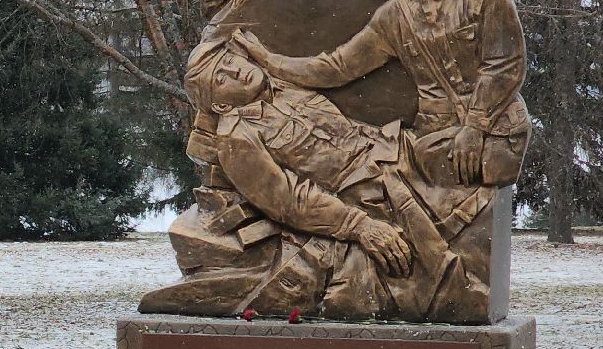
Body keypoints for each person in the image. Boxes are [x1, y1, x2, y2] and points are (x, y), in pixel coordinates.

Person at [140, 35, 490, 321]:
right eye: (221, 78)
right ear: (218, 106)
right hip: (374, 192)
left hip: (399, 151)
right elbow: (289, 199)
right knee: (450, 278)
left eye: (231, 61)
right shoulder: (237, 137)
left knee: (487, 163)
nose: (236, 71)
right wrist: (360, 226)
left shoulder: (282, 83)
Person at [232, 0, 531, 189]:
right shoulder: (393, 15)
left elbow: (504, 65)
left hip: (494, 138)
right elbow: (336, 68)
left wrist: (474, 127)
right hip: (429, 145)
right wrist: (268, 60)